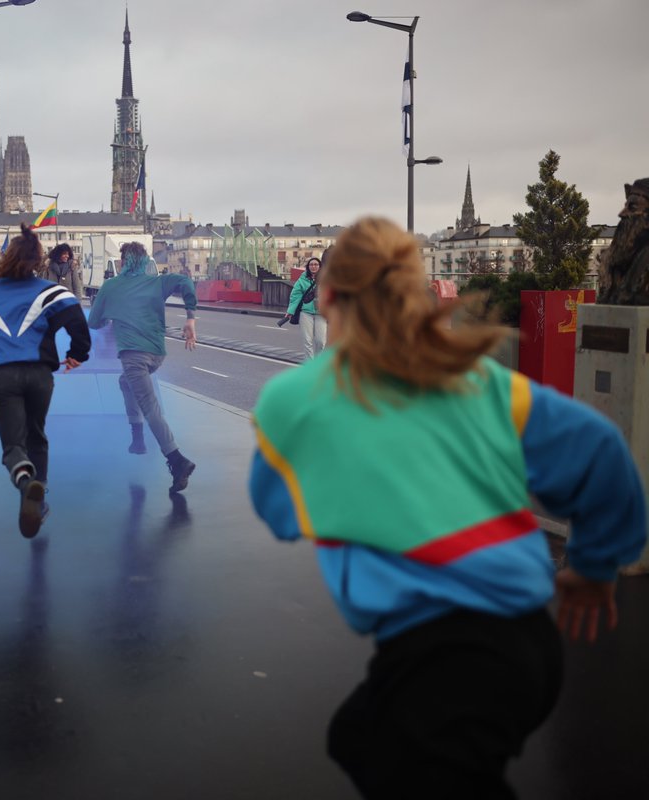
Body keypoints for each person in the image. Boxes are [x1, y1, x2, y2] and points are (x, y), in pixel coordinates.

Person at [248, 216, 646, 799]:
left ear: (326, 296)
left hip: (452, 657)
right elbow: (602, 453)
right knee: (358, 736)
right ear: (420, 291)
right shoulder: (483, 382)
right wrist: (592, 566)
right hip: (524, 645)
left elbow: (279, 510)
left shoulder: (298, 398)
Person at [0, 224, 91, 538]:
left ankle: (24, 482)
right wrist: (77, 354)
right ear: (38, 261)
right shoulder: (49, 290)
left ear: (6, 258)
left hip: (4, 375)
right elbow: (76, 317)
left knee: (13, 447)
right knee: (37, 436)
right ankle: (38, 499)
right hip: (40, 376)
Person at [87, 240, 199, 493]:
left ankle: (177, 460)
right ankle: (137, 439)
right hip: (157, 353)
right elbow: (185, 282)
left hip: (133, 356)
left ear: (124, 261)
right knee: (124, 382)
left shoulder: (111, 286)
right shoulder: (157, 282)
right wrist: (191, 318)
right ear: (145, 260)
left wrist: (110, 316)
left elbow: (94, 322)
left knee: (150, 406)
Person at [283, 255, 326, 360]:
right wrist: (290, 311)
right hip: (305, 313)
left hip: (321, 313)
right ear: (308, 267)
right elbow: (295, 295)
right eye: (311, 264)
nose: (313, 266)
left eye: (316, 264)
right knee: (308, 341)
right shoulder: (302, 279)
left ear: (320, 266)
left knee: (321, 341)